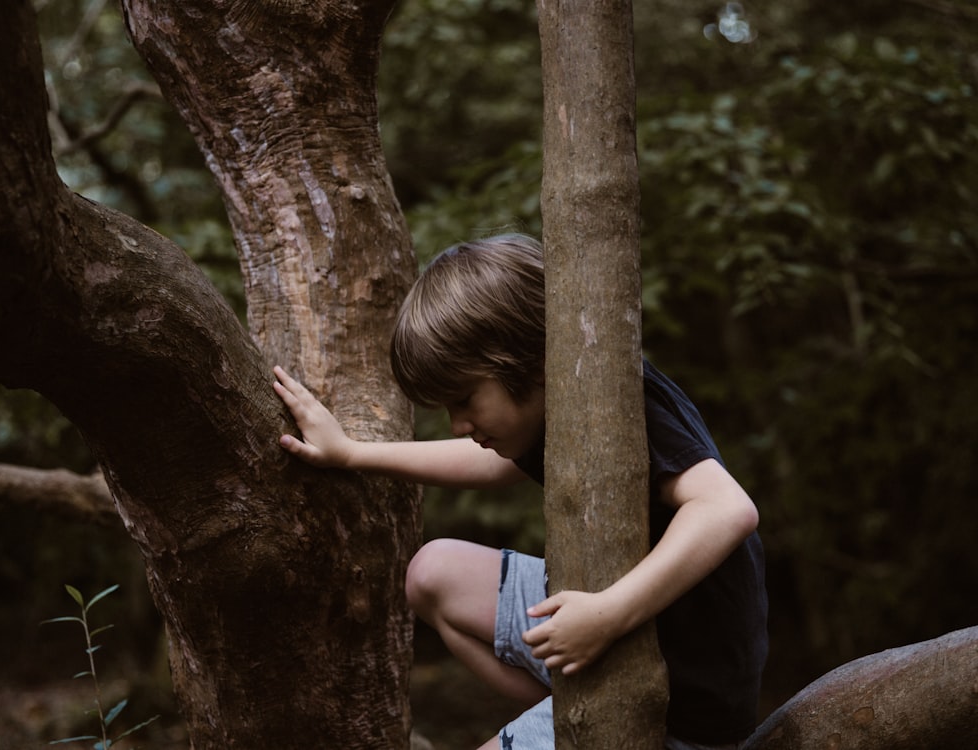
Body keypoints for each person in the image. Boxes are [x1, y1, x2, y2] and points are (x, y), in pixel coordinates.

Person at [272, 233, 768, 750]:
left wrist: (608, 614)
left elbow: (727, 509)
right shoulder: (554, 404)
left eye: (465, 399)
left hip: (682, 697)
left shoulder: (625, 404)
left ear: (529, 361)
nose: (459, 423)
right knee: (432, 575)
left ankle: (581, 725)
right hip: (612, 631)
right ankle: (567, 712)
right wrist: (351, 453)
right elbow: (491, 464)